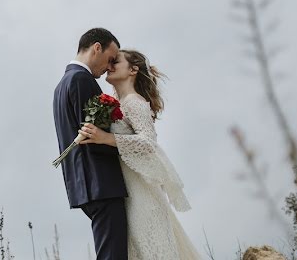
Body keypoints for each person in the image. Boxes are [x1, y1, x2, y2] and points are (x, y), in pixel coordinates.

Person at [78, 49, 202, 260]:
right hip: (127, 192)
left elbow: (148, 143)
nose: (109, 65)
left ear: (133, 70)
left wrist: (106, 138)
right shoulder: (117, 103)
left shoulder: (134, 102)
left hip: (143, 195)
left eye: (115, 61)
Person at [53, 28, 128, 260]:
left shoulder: (62, 85)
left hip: (85, 186)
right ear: (97, 47)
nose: (109, 66)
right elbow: (95, 137)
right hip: (101, 183)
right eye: (110, 59)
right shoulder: (80, 80)